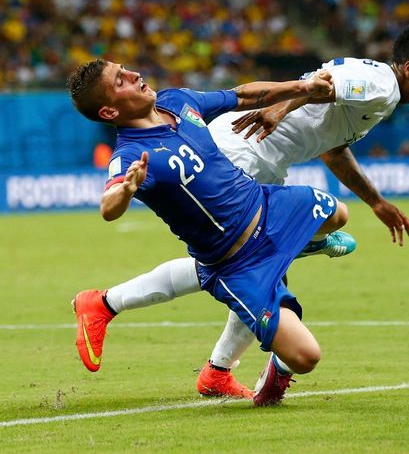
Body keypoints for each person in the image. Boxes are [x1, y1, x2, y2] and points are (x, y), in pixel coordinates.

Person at [71, 22, 409, 397]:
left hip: (266, 159)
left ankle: (216, 367)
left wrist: (375, 201)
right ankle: (112, 306)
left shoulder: (378, 91)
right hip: (248, 145)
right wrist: (283, 106)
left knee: (287, 241)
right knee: (235, 254)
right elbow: (325, 88)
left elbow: (330, 143)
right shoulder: (381, 86)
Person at [67, 58, 351, 406]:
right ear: (110, 112)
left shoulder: (176, 101)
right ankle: (264, 365)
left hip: (267, 206)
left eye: (125, 69)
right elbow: (108, 207)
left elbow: (241, 96)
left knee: (338, 215)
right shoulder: (130, 155)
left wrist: (302, 87)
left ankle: (299, 247)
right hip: (236, 265)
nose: (134, 74)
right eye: (120, 80)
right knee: (306, 358)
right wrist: (125, 190)